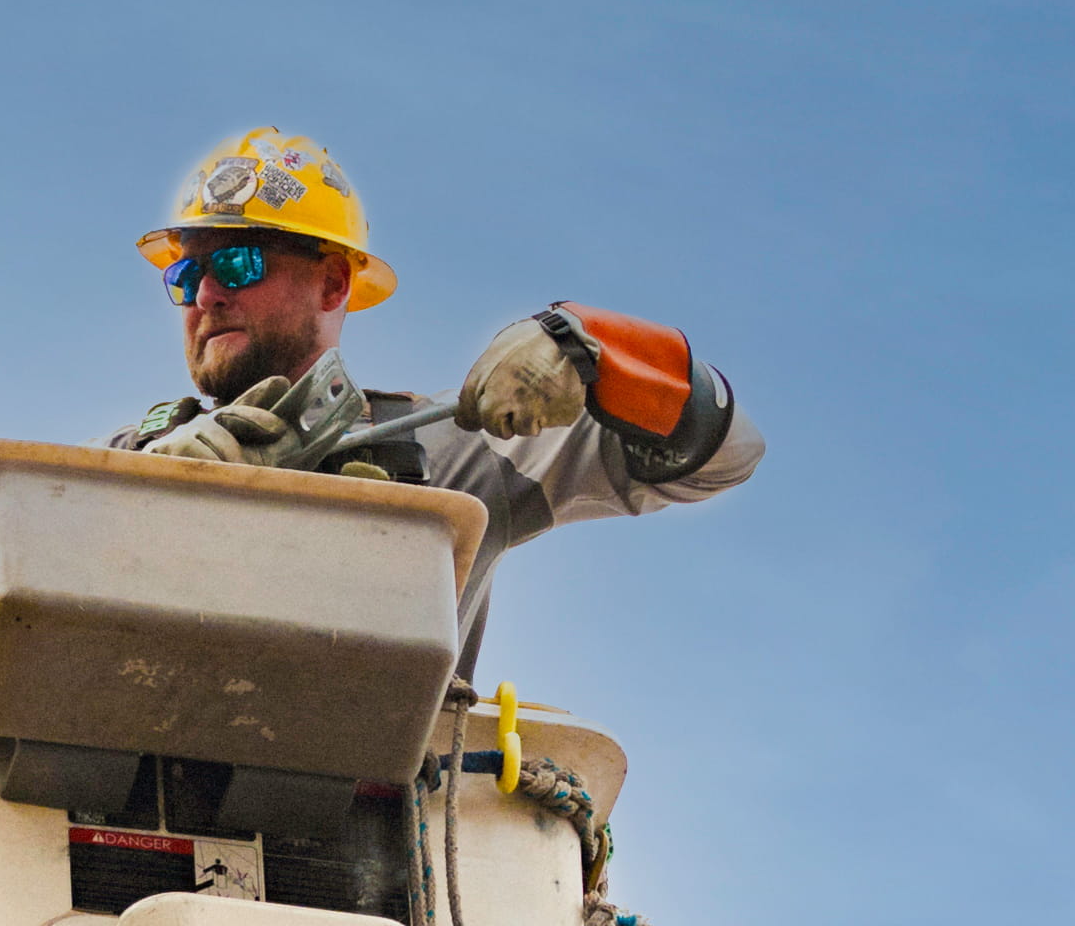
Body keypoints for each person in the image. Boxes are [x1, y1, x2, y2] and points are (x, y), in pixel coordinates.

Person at [109, 128, 758, 670]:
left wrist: (583, 343)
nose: (206, 296)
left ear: (334, 284)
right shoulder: (120, 460)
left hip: (356, 816)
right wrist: (149, 491)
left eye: (238, 265)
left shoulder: (444, 454)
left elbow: (723, 454)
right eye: (186, 275)